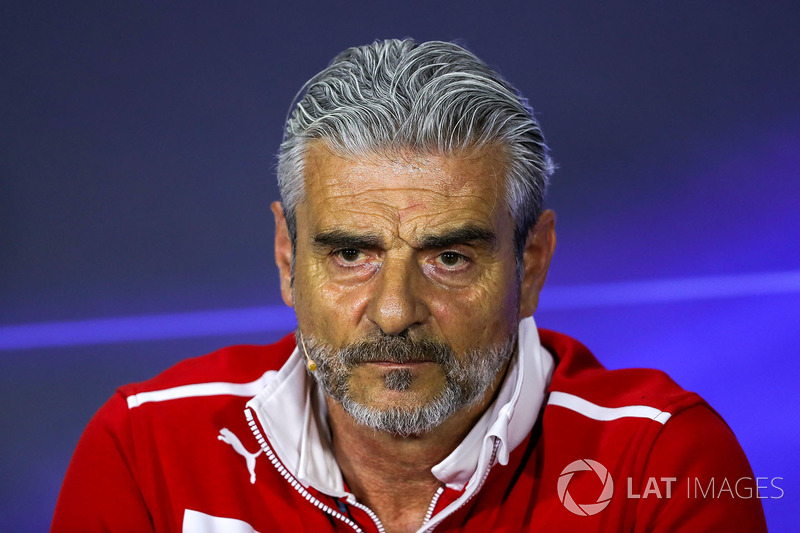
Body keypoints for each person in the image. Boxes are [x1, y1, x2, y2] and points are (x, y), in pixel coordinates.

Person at [52, 39, 767, 532]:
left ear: (535, 260)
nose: (395, 312)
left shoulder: (661, 460)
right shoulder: (147, 448)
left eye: (449, 257)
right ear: (285, 256)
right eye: (351, 254)